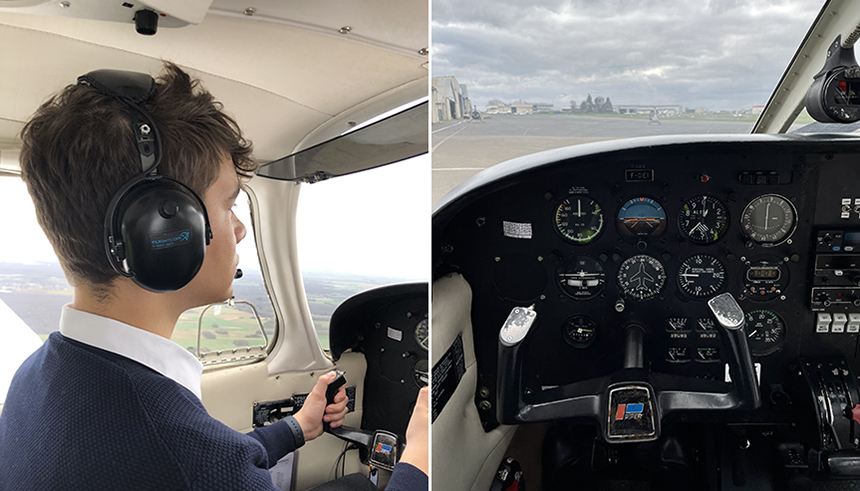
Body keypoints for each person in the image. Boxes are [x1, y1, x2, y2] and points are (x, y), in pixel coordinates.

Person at [0, 63, 428, 490]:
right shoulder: (179, 450)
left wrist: (297, 427)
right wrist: (420, 457)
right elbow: (196, 462)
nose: (239, 229)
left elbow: (209, 456)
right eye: (228, 204)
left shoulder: (36, 375)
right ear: (162, 230)